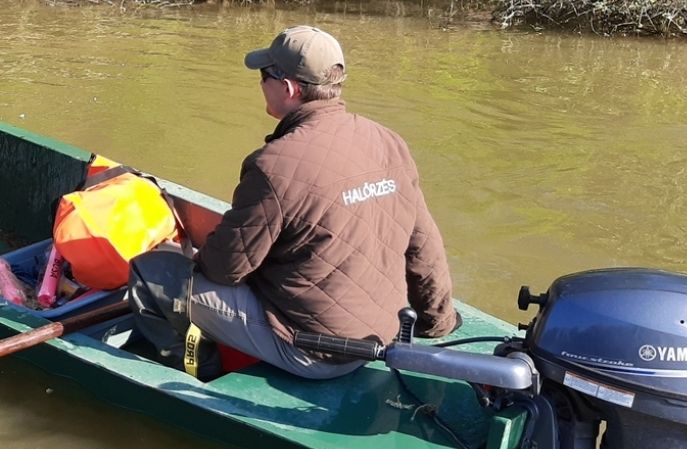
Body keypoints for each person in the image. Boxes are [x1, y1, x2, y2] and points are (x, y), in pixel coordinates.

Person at [128, 25, 460, 380]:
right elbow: (424, 246)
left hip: (315, 352)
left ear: (288, 88)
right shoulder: (389, 141)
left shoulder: (273, 165)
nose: (260, 84)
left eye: (264, 75)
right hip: (385, 335)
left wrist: (185, 256)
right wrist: (437, 321)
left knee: (150, 274)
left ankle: (199, 377)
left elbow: (225, 268)